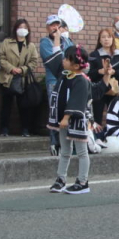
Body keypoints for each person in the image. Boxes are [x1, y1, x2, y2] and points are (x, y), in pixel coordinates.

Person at [46, 45, 92, 194]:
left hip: (76, 120)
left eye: (67, 59)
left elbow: (76, 100)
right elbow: (54, 62)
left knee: (81, 152)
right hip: (63, 120)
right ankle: (61, 179)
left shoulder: (81, 80)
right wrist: (57, 39)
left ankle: (83, 181)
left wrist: (66, 117)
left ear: (76, 65)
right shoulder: (65, 75)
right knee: (65, 150)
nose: (63, 60)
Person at [0, 18, 40, 139]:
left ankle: (25, 129)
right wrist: (11, 68)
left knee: (24, 105)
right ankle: (4, 128)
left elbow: (34, 61)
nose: (22, 30)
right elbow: (1, 57)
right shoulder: (7, 42)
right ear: (15, 29)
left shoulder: (30, 45)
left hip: (23, 79)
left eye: (25, 28)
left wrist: (22, 69)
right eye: (20, 27)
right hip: (7, 77)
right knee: (6, 104)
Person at [39, 15, 74, 156]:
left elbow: (73, 60)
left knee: (68, 111)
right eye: (52, 25)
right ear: (47, 27)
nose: (55, 27)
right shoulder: (45, 42)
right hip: (54, 81)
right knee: (55, 112)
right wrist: (58, 40)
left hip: (69, 80)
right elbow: (57, 63)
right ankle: (55, 143)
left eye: (57, 24)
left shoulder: (68, 41)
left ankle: (68, 143)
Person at [89, 27, 119, 127]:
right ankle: (97, 135)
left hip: (115, 91)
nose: (106, 39)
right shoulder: (94, 55)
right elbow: (89, 74)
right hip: (99, 91)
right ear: (99, 40)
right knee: (97, 117)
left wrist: (114, 72)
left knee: (115, 116)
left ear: (113, 39)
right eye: (103, 37)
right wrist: (100, 71)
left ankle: (114, 134)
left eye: (109, 37)